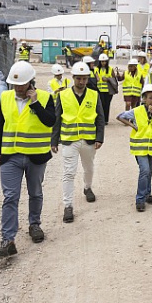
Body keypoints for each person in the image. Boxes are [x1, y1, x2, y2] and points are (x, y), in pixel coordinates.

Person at [0, 61, 55, 260]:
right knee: (10, 196)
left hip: (36, 156)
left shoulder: (45, 98)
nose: (18, 88)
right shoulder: (6, 97)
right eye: (15, 85)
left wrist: (35, 103)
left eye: (22, 85)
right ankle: (7, 240)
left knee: (35, 192)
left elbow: (51, 121)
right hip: (11, 155)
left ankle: (34, 225)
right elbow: (2, 125)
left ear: (31, 82)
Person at [51, 62, 105, 223]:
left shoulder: (94, 95)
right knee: (69, 172)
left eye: (84, 79)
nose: (82, 82)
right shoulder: (63, 95)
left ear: (88, 78)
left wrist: (99, 137)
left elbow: (100, 118)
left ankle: (87, 188)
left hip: (88, 140)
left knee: (88, 168)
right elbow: (57, 119)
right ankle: (68, 206)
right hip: (69, 139)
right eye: (79, 78)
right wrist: (54, 140)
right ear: (73, 78)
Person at [117, 84, 152, 212]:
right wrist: (132, 125)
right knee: (145, 170)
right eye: (150, 98)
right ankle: (140, 199)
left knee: (149, 171)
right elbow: (120, 116)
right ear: (144, 99)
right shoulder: (137, 111)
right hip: (140, 147)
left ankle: (148, 193)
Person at [94, 54, 115, 124]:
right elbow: (96, 77)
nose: (103, 63)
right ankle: (101, 119)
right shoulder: (96, 69)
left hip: (108, 91)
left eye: (105, 61)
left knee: (107, 105)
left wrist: (108, 79)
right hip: (100, 90)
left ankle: (106, 120)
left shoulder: (110, 69)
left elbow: (114, 79)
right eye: (102, 61)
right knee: (101, 105)